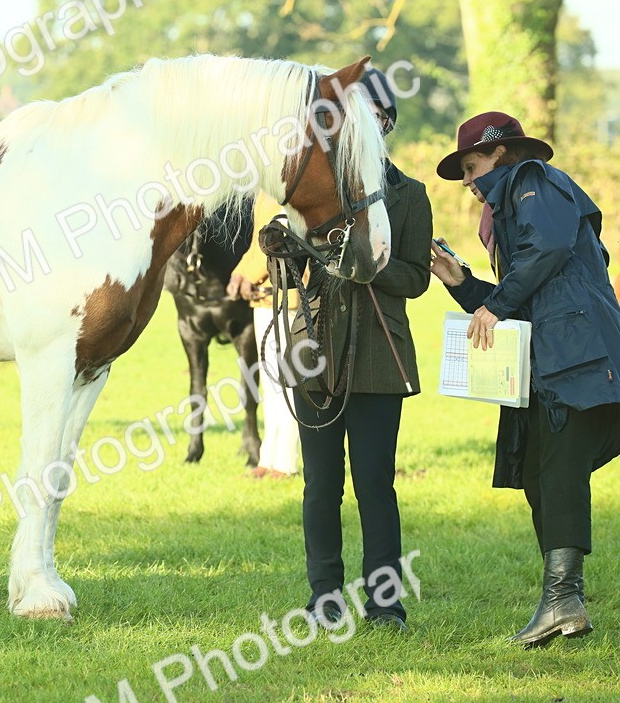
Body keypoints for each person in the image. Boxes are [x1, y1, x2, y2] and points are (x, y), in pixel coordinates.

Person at [430, 110, 620, 647]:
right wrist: (462, 284)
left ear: (501, 154)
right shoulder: (508, 206)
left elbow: (550, 251)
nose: (467, 182)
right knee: (540, 473)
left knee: (556, 469)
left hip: (578, 355)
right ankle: (565, 601)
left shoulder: (531, 179)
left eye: (471, 167)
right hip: (556, 357)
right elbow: (516, 298)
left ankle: (562, 600)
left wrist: (499, 302)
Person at [282, 69, 432, 630]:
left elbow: (416, 276)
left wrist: (366, 262)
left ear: (386, 125)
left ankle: (384, 601)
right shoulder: (313, 186)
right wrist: (286, 250)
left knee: (375, 484)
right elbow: (289, 262)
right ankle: (324, 596)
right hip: (313, 350)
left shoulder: (409, 195)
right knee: (320, 484)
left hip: (378, 354)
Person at [227, 195, 302, 479]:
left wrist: (246, 275)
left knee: (286, 383)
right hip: (265, 299)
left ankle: (285, 462)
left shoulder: (284, 187)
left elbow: (275, 238)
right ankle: (268, 458)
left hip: (288, 296)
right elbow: (255, 244)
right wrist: (239, 274)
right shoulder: (264, 190)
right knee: (271, 383)